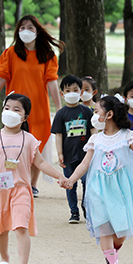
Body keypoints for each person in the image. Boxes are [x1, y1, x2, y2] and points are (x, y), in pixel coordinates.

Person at [63, 96, 133, 264]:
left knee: (120, 231)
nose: (94, 115)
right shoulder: (95, 139)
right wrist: (71, 180)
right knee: (103, 225)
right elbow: (85, 163)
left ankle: (113, 249)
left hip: (122, 188)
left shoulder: (128, 136)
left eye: (96, 111)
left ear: (109, 114)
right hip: (98, 188)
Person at [0, 93, 67, 264]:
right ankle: (4, 259)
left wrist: (59, 175)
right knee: (1, 229)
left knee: (20, 227)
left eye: (16, 109)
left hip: (20, 189)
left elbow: (41, 163)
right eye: (7, 108)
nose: (10, 112)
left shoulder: (29, 139)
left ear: (25, 117)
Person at [0, 14, 63, 198]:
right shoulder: (10, 54)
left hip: (39, 108)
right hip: (14, 110)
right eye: (22, 28)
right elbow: (1, 79)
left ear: (38, 31)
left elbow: (52, 82)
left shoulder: (47, 56)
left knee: (36, 147)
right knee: (13, 146)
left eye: (31, 28)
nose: (26, 31)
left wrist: (59, 108)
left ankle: (31, 185)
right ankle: (11, 181)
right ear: (18, 31)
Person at [51, 75, 95, 223]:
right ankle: (74, 212)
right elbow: (58, 135)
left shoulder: (87, 111)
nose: (72, 93)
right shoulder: (61, 114)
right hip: (68, 156)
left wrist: (94, 147)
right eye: (68, 90)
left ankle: (86, 206)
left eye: (75, 90)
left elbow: (93, 131)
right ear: (62, 94)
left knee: (87, 182)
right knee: (70, 184)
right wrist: (60, 153)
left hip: (85, 156)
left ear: (81, 92)